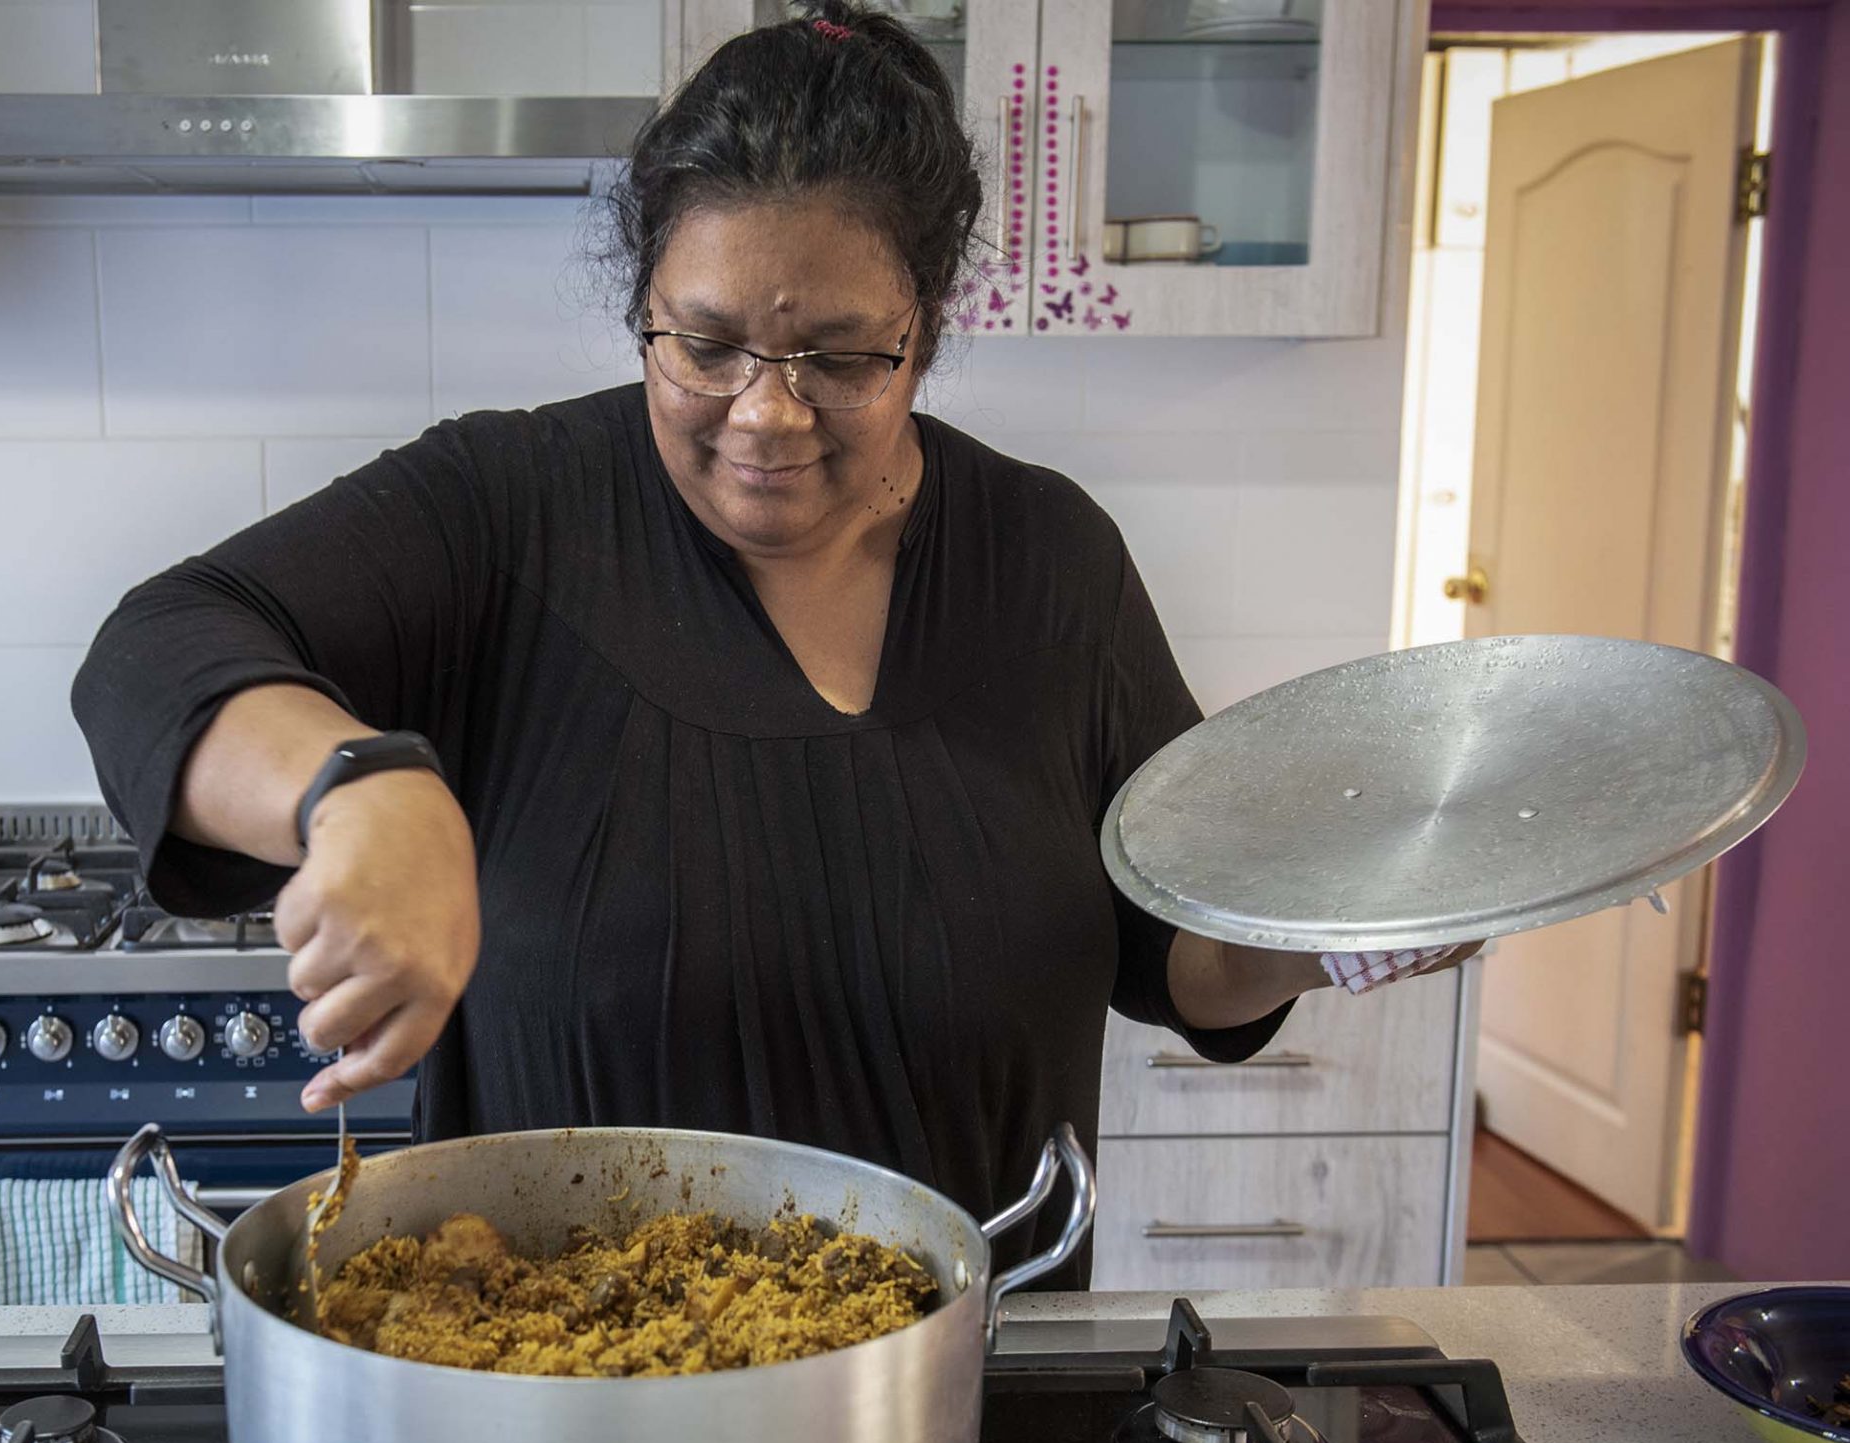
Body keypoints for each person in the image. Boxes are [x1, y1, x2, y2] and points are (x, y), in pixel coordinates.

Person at [73, 2, 1463, 1274]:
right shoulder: (507, 516)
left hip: (958, 1414)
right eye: (706, 344)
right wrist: (356, 787)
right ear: (645, 306)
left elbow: (1177, 955)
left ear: (928, 327)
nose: (765, 416)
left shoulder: (1052, 562)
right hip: (555, 1428)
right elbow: (155, 645)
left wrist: (1333, 925)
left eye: (843, 357)